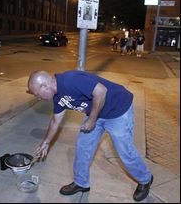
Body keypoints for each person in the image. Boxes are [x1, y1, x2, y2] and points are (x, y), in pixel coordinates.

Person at [28, 70, 153, 202]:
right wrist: (46, 142)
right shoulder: (57, 97)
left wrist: (92, 120)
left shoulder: (70, 80)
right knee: (83, 146)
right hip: (97, 111)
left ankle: (145, 179)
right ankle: (81, 183)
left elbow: (101, 91)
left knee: (124, 151)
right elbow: (55, 120)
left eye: (38, 94)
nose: (39, 98)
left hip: (118, 109)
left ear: (45, 86)